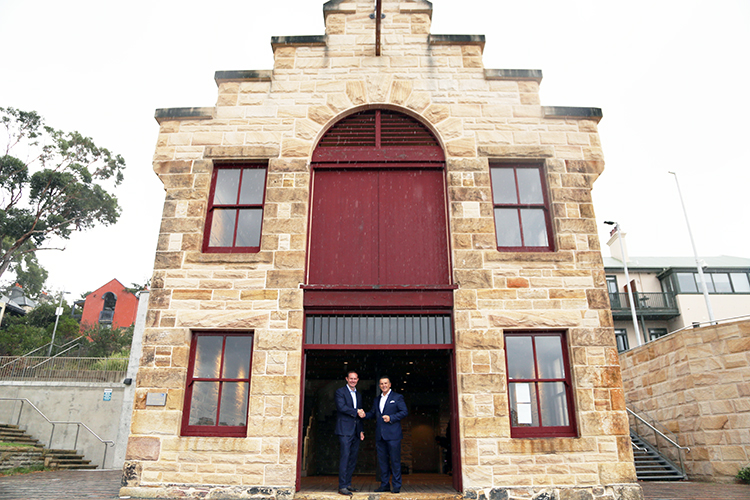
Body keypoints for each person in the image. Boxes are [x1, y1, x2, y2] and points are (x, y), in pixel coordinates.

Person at [364, 376, 408, 494]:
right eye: (381, 383)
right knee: (382, 462)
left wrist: (391, 418)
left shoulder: (397, 397)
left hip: (393, 435)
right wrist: (364, 414)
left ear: (390, 384)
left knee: (395, 461)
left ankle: (397, 485)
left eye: (386, 383)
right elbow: (373, 413)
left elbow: (404, 412)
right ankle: (385, 485)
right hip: (380, 435)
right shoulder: (376, 399)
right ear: (379, 386)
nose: (383, 385)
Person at [334, 371, 365, 496]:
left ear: (358, 379)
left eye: (355, 378)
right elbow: (341, 407)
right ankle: (342, 486)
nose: (353, 380)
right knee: (345, 457)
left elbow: (360, 415)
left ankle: (347, 484)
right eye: (351, 378)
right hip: (344, 430)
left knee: (352, 458)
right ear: (346, 379)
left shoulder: (358, 394)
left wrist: (361, 430)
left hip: (355, 431)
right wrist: (356, 411)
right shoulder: (340, 392)